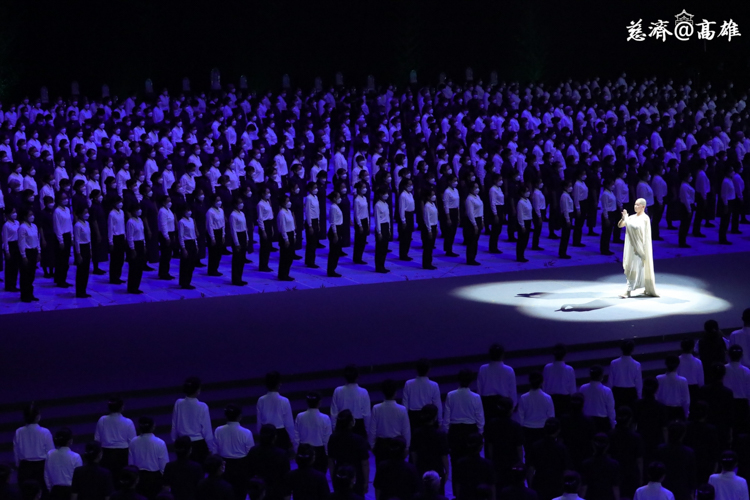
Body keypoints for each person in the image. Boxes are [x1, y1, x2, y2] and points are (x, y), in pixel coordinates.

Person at [618, 198, 658, 298]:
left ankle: (628, 291)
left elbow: (636, 227)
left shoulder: (645, 218)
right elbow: (620, 225)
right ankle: (642, 287)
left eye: (638, 205)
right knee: (631, 266)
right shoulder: (631, 217)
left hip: (640, 247)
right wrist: (624, 218)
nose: (635, 206)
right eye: (635, 204)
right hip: (631, 247)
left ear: (643, 207)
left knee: (635, 268)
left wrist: (627, 219)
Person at [444, 370, 484, 464]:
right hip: (470, 430)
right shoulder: (476, 397)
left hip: (455, 431)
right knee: (471, 461)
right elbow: (480, 418)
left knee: (455, 460)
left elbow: (446, 417)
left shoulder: (451, 395)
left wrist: (446, 433)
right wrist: (480, 433)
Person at [327, 411, 370, 498]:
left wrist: (333, 479)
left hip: (339, 476)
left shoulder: (333, 438)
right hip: (356, 477)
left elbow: (331, 462)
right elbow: (364, 463)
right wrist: (366, 482)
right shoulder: (359, 439)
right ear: (351, 423)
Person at [14, 404, 55, 495]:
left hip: (25, 467)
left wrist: (18, 466)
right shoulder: (45, 432)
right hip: (41, 467)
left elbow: (16, 452)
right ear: (37, 416)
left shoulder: (19, 432)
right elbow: (51, 453)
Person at [526, 418, 571, 500]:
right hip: (557, 485)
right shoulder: (562, 448)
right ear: (558, 430)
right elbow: (566, 470)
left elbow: (531, 469)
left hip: (539, 483)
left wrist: (530, 486)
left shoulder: (536, 446)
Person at [410, 404, 449, 493]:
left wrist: (416, 467)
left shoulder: (416, 433)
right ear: (435, 417)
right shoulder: (440, 434)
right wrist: (447, 470)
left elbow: (414, 453)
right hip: (437, 469)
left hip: (421, 468)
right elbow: (444, 455)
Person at [369, 379, 410, 464]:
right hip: (397, 445)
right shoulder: (402, 409)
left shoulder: (376, 408)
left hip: (382, 446)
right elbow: (406, 431)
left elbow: (372, 430)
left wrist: (372, 446)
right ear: (395, 392)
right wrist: (406, 448)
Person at [94, 397, 136, 480]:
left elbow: (97, 439)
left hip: (106, 454)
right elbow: (133, 442)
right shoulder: (128, 422)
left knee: (108, 479)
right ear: (122, 407)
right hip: (123, 454)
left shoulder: (102, 420)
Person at [256, 371, 297, 456]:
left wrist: (260, 435)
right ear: (279, 384)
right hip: (281, 435)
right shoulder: (284, 401)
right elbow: (289, 423)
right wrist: (293, 440)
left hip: (266, 433)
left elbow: (259, 422)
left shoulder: (261, 400)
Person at [608, 406, 644, 499]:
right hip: (631, 474)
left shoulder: (610, 435)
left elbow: (608, 455)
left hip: (615, 473)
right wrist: (640, 477)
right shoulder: (636, 437)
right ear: (630, 419)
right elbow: (639, 459)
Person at [128, 417, 168, 500]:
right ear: (153, 426)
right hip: (155, 479)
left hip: (139, 478)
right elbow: (164, 466)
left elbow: (131, 464)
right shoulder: (160, 443)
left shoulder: (133, 442)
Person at [246, 425, 290, 500]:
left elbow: (249, 473)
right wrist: (287, 494)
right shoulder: (281, 454)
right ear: (275, 437)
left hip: (258, 492)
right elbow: (285, 477)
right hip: (276, 493)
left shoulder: (253, 451)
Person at [655, 421, 696, 500]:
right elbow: (692, 474)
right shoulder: (689, 452)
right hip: (682, 489)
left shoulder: (660, 449)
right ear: (683, 434)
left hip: (663, 488)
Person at [294, 392, 332, 474]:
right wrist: (327, 454)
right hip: (320, 452)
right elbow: (327, 438)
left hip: (303, 450)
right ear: (319, 402)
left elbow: (296, 437)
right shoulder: (325, 418)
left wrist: (297, 450)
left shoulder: (299, 416)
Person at [330, 365, 372, 439]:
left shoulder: (338, 391)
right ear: (357, 376)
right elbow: (367, 415)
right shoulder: (363, 392)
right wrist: (367, 432)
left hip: (341, 426)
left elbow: (334, 414)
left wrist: (334, 429)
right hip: (358, 428)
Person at [478, 344, 517, 420]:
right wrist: (513, 406)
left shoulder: (483, 369)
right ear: (502, 355)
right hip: (504, 405)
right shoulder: (509, 370)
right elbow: (512, 392)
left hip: (487, 405)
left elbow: (479, 390)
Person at [453, 433, 496, 500]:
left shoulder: (460, 463)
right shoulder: (488, 464)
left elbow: (458, 484)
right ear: (481, 446)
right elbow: (492, 485)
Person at [518, 372, 555, 450]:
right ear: (542, 382)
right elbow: (551, 416)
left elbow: (520, 417)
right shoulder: (547, 398)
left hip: (528, 430)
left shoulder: (523, 398)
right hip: (543, 430)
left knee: (529, 454)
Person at [403, 359, 443, 430]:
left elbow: (405, 404)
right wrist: (439, 421)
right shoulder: (434, 385)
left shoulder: (408, 384)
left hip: (413, 418)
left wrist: (404, 422)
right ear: (429, 370)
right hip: (429, 417)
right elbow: (437, 405)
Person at [45, 428, 82, 500]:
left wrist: (50, 489)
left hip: (55, 491)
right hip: (70, 492)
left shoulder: (50, 454)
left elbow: (46, 475)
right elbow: (79, 479)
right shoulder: (76, 457)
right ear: (70, 441)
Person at [580, 434, 620, 500]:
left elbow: (584, 487)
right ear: (608, 446)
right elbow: (615, 486)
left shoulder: (586, 464)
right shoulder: (614, 464)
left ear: (593, 445)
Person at [543, 344, 577, 418]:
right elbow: (572, 389)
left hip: (551, 399)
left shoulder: (547, 368)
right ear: (565, 354)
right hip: (565, 401)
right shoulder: (569, 369)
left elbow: (544, 386)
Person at [579, 365, 616, 433]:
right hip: (602, 423)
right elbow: (611, 410)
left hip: (587, 421)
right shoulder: (607, 391)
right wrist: (613, 424)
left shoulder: (583, 388)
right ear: (601, 376)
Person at [607, 339, 643, 410]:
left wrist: (608, 396)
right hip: (631, 393)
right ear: (632, 349)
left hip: (617, 392)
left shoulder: (614, 363)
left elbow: (610, 381)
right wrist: (639, 396)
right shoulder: (636, 364)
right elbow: (638, 383)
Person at [656, 355, 690, 421]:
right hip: (678, 411)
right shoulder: (683, 380)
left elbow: (656, 396)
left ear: (666, 364)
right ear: (678, 364)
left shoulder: (658, 378)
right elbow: (686, 400)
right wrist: (686, 413)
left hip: (664, 410)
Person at [724, 345, 750, 434]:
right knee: (743, 430)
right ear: (741, 355)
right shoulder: (746, 371)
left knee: (730, 429)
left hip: (728, 402)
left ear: (728, 355)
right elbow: (748, 390)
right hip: (742, 403)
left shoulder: (724, 369)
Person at [17, 209, 41, 302]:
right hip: (27, 252)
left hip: (34, 251)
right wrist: (23, 256)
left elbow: (37, 239)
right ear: (25, 216)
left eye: (32, 214)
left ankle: (30, 294)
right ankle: (24, 295)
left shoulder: (34, 226)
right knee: (25, 275)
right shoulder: (22, 227)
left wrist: (39, 251)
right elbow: (21, 242)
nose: (32, 216)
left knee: (31, 274)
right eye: (30, 214)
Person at [53, 193, 73, 288]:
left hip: (68, 235)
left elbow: (69, 223)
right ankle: (60, 280)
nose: (66, 199)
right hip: (61, 237)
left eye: (66, 197)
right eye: (63, 198)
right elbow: (57, 227)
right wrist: (60, 240)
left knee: (66, 260)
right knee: (61, 260)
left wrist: (72, 236)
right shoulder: (57, 211)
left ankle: (63, 279)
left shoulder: (67, 210)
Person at [125, 206, 146, 294]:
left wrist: (144, 244)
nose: (139, 211)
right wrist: (132, 249)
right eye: (137, 209)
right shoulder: (130, 222)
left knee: (140, 267)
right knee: (134, 267)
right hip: (134, 245)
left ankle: (136, 286)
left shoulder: (140, 220)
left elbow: (142, 233)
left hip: (140, 244)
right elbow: (129, 237)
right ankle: (131, 287)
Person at [228, 198, 249, 285]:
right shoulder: (233, 215)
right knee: (237, 259)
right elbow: (233, 230)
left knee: (241, 259)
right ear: (235, 204)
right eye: (240, 202)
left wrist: (247, 238)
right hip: (238, 237)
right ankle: (235, 279)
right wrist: (236, 243)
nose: (242, 204)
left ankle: (240, 278)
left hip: (243, 236)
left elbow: (245, 227)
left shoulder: (242, 213)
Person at [276, 194, 296, 281]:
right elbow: (282, 227)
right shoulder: (281, 213)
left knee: (290, 256)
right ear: (283, 203)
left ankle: (286, 273)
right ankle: (282, 274)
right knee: (285, 257)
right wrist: (286, 239)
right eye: (287, 201)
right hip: (285, 236)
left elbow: (292, 225)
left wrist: (294, 235)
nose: (289, 202)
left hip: (291, 234)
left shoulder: (288, 211)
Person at [73, 208, 92, 298]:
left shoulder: (87, 223)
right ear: (80, 214)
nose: (87, 214)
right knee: (81, 271)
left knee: (86, 271)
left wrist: (90, 249)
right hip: (81, 248)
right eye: (85, 212)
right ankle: (79, 291)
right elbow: (76, 240)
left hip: (87, 247)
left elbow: (89, 237)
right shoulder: (77, 225)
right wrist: (78, 254)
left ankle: (84, 290)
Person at [177, 208, 197, 290]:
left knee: (191, 264)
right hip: (186, 243)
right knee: (185, 264)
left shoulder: (191, 220)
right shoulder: (181, 222)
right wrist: (183, 248)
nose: (189, 211)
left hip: (192, 243)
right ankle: (184, 283)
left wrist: (196, 244)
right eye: (187, 210)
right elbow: (181, 236)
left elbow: (193, 233)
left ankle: (188, 281)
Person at [108, 196, 126, 285]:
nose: (121, 204)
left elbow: (122, 225)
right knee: (115, 259)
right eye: (119, 202)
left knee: (121, 259)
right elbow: (110, 228)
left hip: (121, 236)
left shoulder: (121, 212)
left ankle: (118, 276)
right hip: (115, 237)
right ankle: (113, 277)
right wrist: (110, 241)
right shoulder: (112, 214)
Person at [157, 196, 176, 280]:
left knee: (168, 255)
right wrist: (167, 237)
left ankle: (166, 272)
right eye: (168, 201)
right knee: (165, 255)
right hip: (165, 235)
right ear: (163, 202)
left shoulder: (168, 210)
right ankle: (163, 273)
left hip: (171, 233)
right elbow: (163, 225)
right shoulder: (162, 211)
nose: (170, 202)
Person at [206, 195, 225, 277]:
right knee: (213, 253)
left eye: (220, 200)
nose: (219, 202)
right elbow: (209, 225)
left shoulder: (221, 210)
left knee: (219, 253)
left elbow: (223, 223)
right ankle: (211, 270)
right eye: (217, 200)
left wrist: (223, 234)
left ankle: (216, 268)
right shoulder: (210, 212)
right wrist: (212, 237)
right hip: (213, 232)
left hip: (220, 232)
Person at [257, 187, 274, 273]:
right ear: (263, 194)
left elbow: (270, 215)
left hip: (269, 224)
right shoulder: (260, 204)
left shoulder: (267, 202)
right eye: (267, 192)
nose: (269, 194)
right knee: (264, 247)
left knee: (267, 247)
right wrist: (263, 231)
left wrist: (271, 228)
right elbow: (260, 219)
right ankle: (262, 265)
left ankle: (266, 264)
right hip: (264, 225)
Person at [2, 207, 20, 292]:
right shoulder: (6, 225)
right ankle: (8, 285)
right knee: (9, 267)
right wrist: (7, 251)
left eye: (15, 212)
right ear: (8, 214)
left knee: (15, 267)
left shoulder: (17, 223)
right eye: (13, 212)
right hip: (10, 245)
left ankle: (14, 284)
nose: (15, 214)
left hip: (17, 245)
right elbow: (5, 239)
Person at [398, 178, 416, 261]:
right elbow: (401, 209)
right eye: (409, 184)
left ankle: (406, 253)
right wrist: (403, 220)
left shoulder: (410, 194)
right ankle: (403, 254)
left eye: (412, 184)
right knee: (404, 237)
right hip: (406, 216)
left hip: (410, 215)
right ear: (405, 185)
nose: (411, 186)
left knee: (409, 236)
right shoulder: (403, 195)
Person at [374, 188, 391, 273]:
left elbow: (388, 218)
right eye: (384, 193)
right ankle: (378, 266)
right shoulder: (378, 205)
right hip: (381, 226)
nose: (386, 195)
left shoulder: (386, 204)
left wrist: (389, 229)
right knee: (380, 249)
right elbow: (377, 219)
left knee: (384, 248)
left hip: (386, 226)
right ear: (380, 194)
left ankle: (382, 265)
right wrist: (379, 232)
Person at [352, 182, 369, 265]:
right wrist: (360, 225)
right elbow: (356, 214)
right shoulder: (357, 200)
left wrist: (368, 222)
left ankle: (360, 257)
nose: (365, 189)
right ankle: (357, 258)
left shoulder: (364, 198)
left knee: (363, 241)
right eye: (363, 187)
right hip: (360, 221)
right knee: (359, 241)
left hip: (365, 220)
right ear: (359, 189)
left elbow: (366, 211)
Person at [327, 191, 343, 277]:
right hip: (335, 231)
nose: (340, 198)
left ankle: (333, 269)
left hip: (338, 229)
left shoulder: (336, 206)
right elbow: (333, 222)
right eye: (338, 197)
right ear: (334, 198)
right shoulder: (333, 207)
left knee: (336, 252)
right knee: (333, 252)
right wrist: (335, 234)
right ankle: (331, 270)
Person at [421, 189, 439, 269]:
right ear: (428, 197)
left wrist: (436, 227)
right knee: (427, 247)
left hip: (434, 226)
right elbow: (427, 219)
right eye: (432, 195)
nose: (434, 196)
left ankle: (429, 262)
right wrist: (429, 230)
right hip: (429, 228)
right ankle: (426, 264)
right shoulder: (427, 206)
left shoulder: (433, 204)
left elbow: (435, 217)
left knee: (431, 247)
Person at [600, 177, 617, 255]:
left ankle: (606, 248)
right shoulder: (605, 194)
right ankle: (604, 249)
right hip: (608, 215)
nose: (613, 186)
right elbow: (605, 208)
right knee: (606, 233)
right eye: (611, 184)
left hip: (612, 213)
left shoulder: (611, 192)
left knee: (609, 232)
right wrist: (606, 218)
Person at [488, 174, 505, 254]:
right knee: (495, 230)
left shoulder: (499, 188)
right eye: (499, 179)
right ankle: (492, 247)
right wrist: (495, 214)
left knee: (498, 230)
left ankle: (495, 246)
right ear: (495, 180)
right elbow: (493, 202)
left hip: (501, 209)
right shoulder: (493, 190)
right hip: (496, 209)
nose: (501, 181)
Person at [678, 171, 695, 248]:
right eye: (689, 175)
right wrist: (689, 210)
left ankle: (683, 240)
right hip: (686, 207)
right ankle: (682, 241)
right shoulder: (684, 186)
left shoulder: (686, 185)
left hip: (688, 205)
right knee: (684, 225)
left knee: (686, 225)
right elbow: (686, 199)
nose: (691, 177)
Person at [516, 186, 532, 262]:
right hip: (523, 222)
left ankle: (522, 255)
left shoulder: (527, 200)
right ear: (522, 193)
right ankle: (519, 256)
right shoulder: (520, 202)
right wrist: (522, 225)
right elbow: (520, 215)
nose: (528, 192)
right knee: (521, 240)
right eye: (526, 191)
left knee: (525, 240)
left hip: (528, 221)